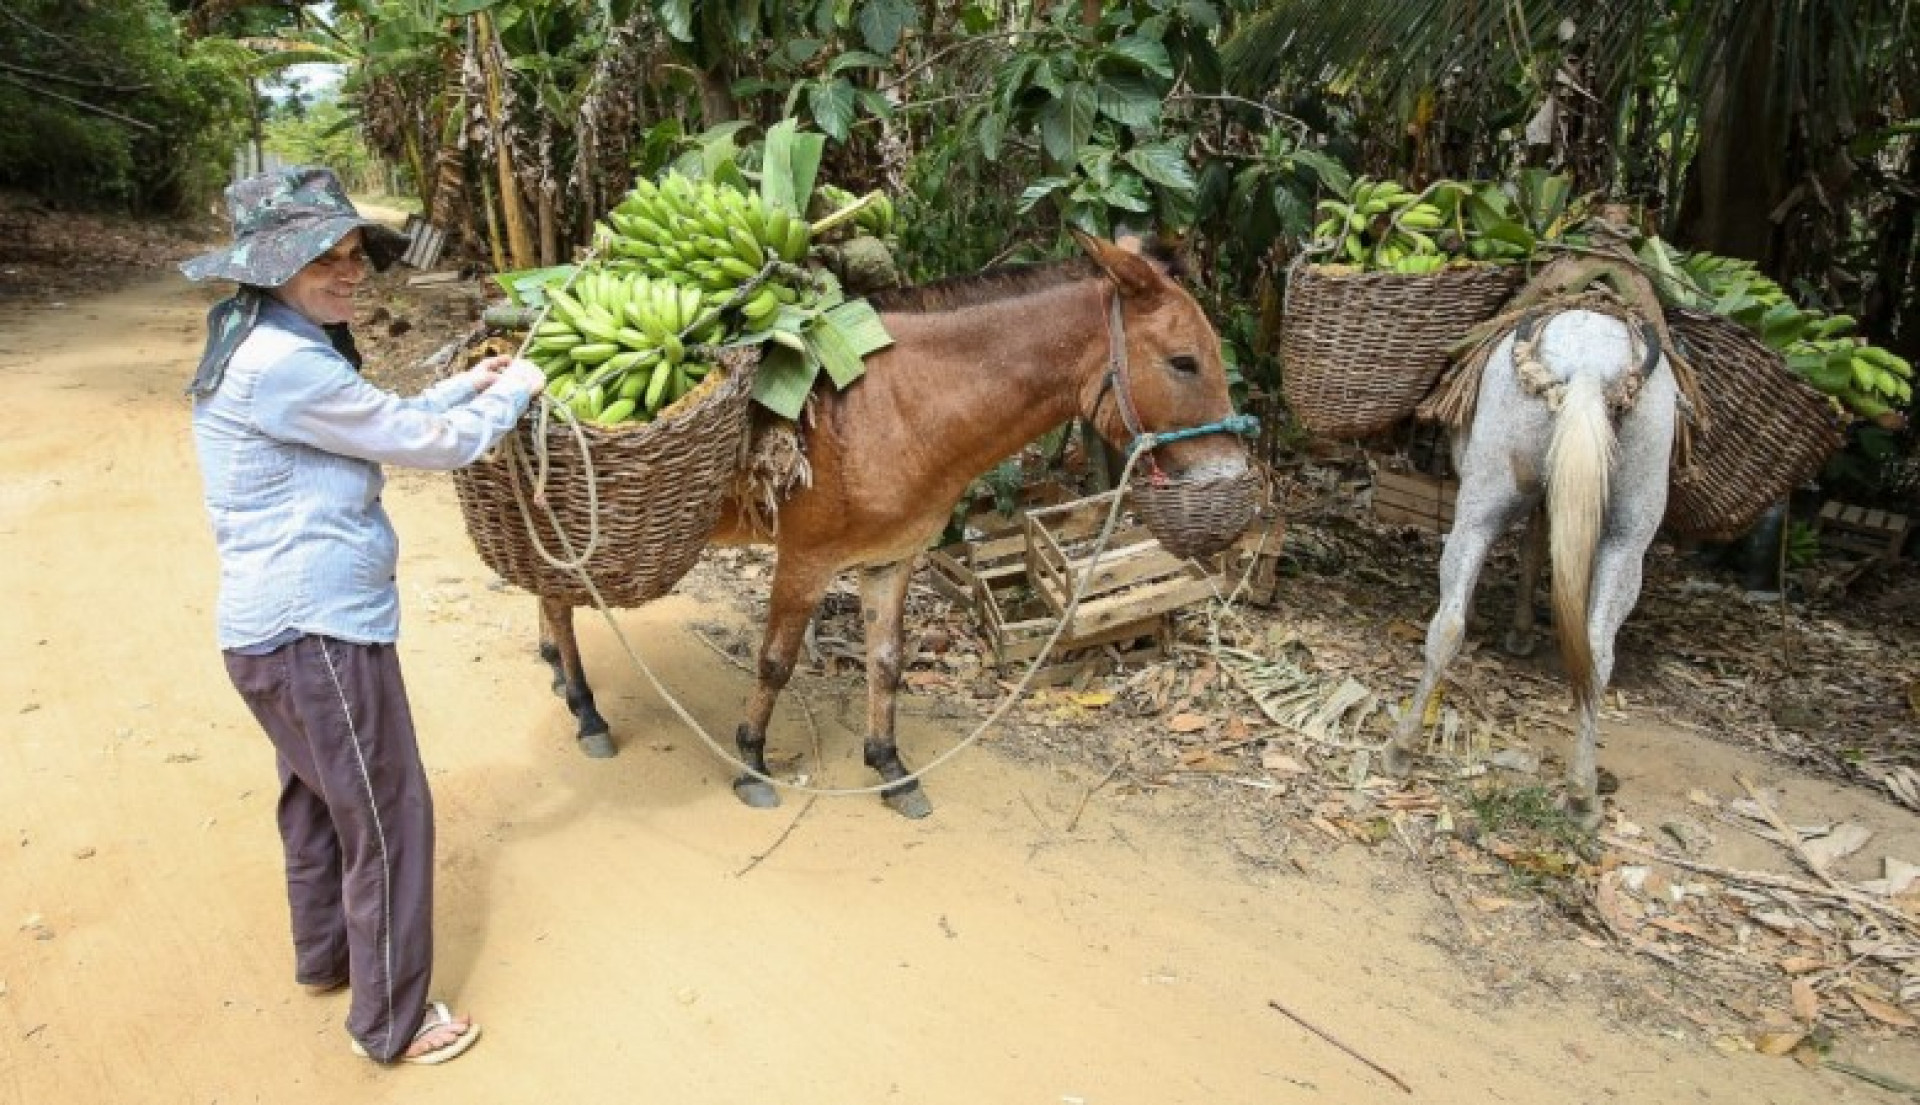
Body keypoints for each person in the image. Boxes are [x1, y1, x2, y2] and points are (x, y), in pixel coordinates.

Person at [180, 166, 544, 1065]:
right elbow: (433, 444)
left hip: (269, 634)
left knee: (316, 800)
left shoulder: (256, 334)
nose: (347, 273)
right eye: (322, 260)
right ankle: (392, 1020)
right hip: (320, 633)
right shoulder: (287, 363)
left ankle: (327, 956)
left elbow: (378, 416)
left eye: (351, 254)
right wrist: (516, 389)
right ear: (273, 266)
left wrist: (468, 382)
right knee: (387, 815)